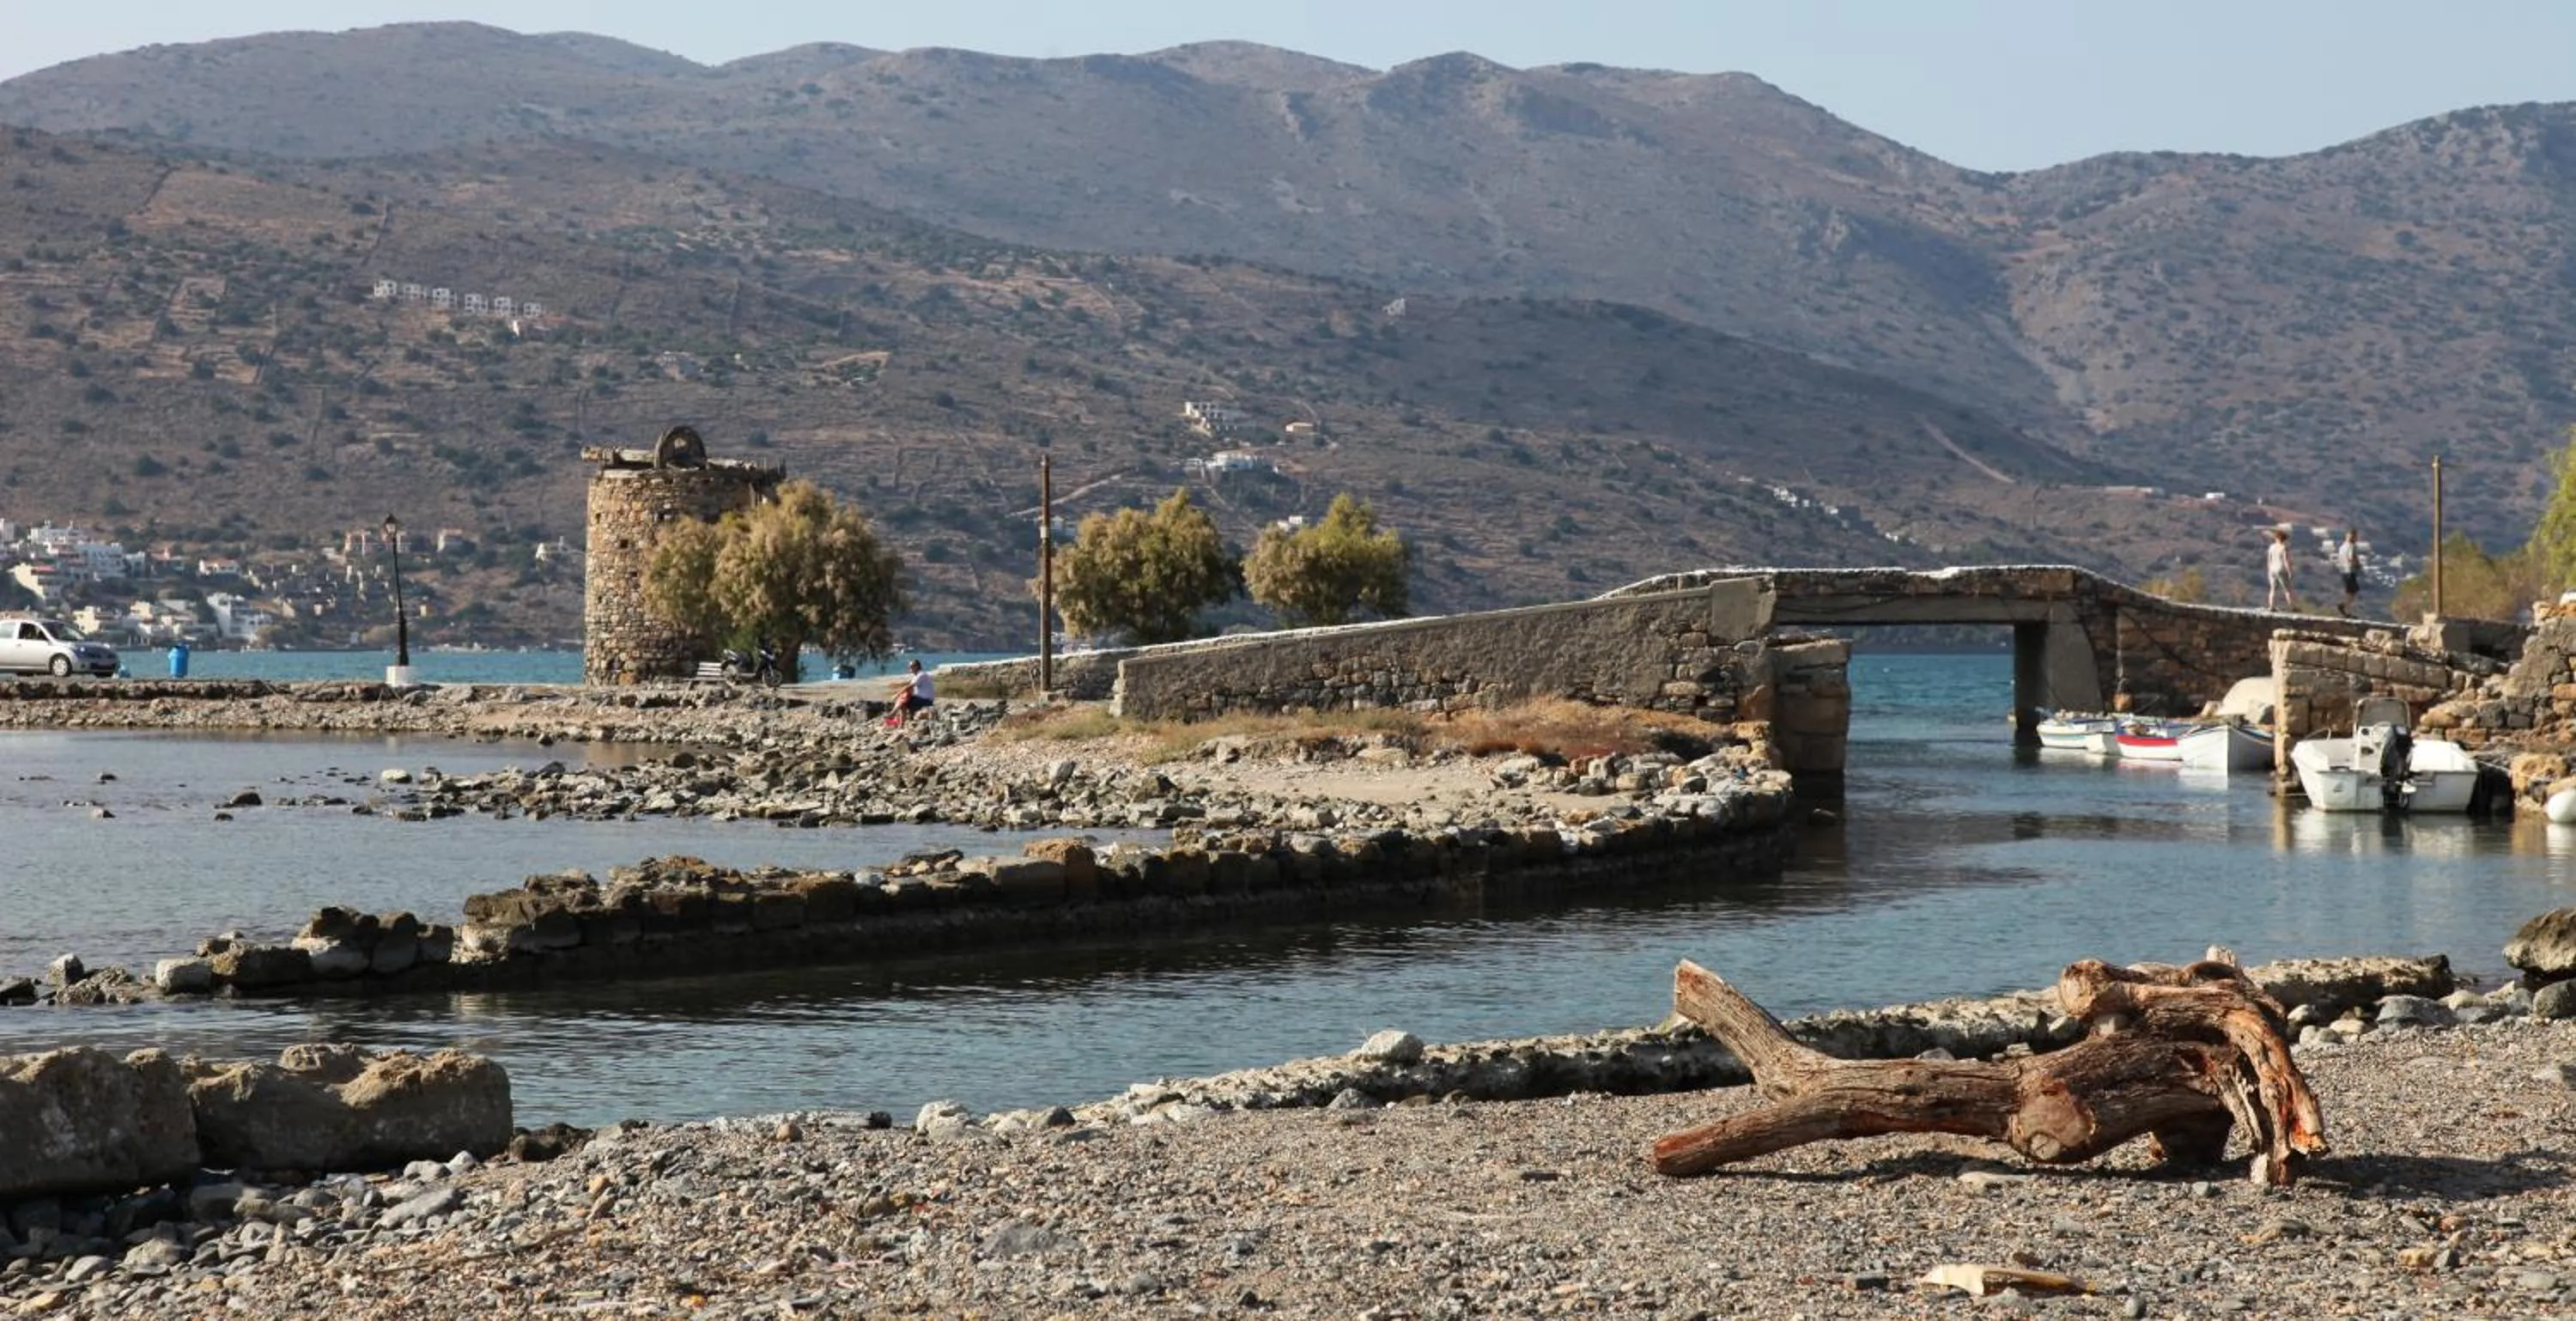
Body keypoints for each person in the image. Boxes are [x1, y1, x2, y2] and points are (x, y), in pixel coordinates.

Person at [887, 658, 934, 726]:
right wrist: (903, 695)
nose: (909, 668)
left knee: (903, 700)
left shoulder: (921, 675)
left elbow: (909, 687)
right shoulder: (917, 676)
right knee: (904, 700)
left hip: (926, 700)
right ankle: (897, 719)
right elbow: (910, 689)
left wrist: (897, 695)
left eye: (911, 667)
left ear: (917, 666)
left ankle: (894, 715)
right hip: (921, 698)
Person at [2264, 527, 2298, 612]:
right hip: (2281, 569)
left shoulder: (2271, 547)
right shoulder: (2284, 548)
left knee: (2273, 589)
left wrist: (2269, 569)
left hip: (2272, 569)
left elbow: (2269, 559)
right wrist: (2290, 571)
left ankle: (2271, 606)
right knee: (2287, 589)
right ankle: (2292, 607)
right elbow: (2286, 561)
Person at [2334, 527, 2361, 618]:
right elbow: (2351, 557)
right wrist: (2357, 564)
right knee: (2352, 593)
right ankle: (2344, 607)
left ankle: (2346, 610)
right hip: (2350, 571)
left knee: (2349, 592)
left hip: (2343, 571)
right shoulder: (2351, 546)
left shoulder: (2342, 547)